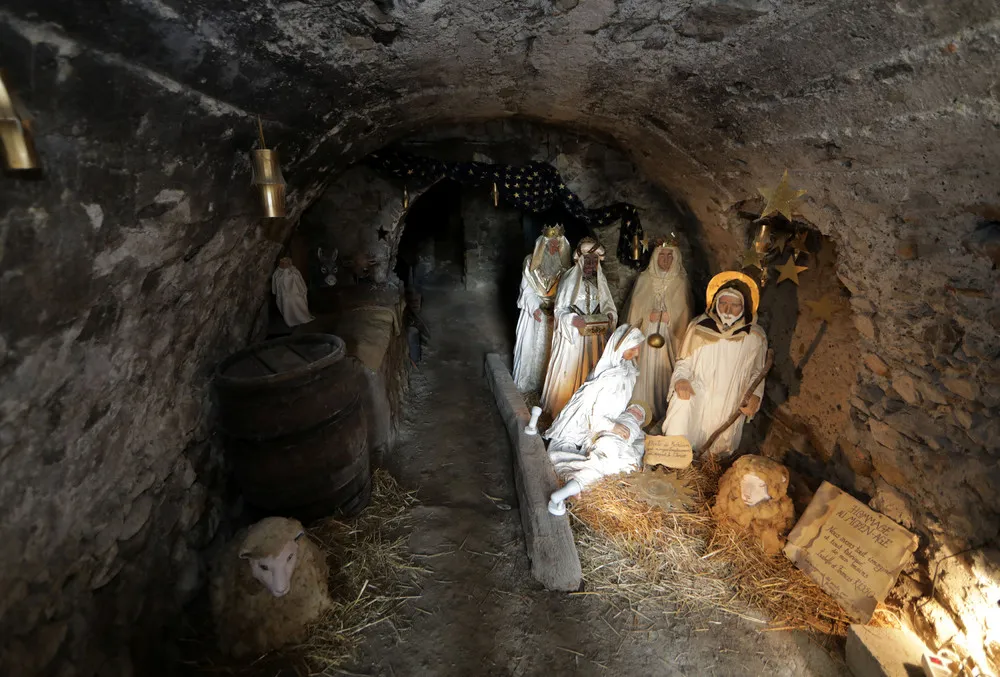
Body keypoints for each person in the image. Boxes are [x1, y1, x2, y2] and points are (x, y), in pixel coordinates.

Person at [661, 271, 768, 457]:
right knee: (682, 404)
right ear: (715, 303)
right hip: (700, 390)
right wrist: (681, 380)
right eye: (723, 303)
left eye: (734, 305)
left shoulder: (754, 336)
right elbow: (683, 363)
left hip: (730, 396)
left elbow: (757, 372)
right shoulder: (699, 327)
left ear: (745, 306)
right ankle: (675, 455)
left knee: (718, 447)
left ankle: (712, 462)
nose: (727, 310)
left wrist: (755, 396)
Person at [540, 237, 617, 417]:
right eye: (587, 260)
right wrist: (573, 320)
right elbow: (559, 310)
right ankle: (567, 409)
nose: (591, 264)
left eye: (594, 261)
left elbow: (609, 306)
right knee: (572, 370)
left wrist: (610, 316)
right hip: (573, 339)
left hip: (596, 337)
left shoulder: (601, 281)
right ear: (580, 260)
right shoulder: (569, 280)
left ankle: (590, 409)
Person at [544, 324, 645, 453]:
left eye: (638, 348)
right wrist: (612, 426)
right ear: (621, 348)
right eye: (633, 348)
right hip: (591, 424)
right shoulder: (608, 378)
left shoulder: (627, 368)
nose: (637, 353)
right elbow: (593, 414)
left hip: (609, 417)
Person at [624, 239, 693, 425]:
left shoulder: (680, 280)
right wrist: (647, 316)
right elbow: (636, 307)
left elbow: (684, 310)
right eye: (662, 255)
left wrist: (669, 317)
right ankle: (641, 406)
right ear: (655, 257)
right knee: (645, 367)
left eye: (670, 255)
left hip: (669, 335)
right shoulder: (644, 279)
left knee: (664, 368)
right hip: (646, 333)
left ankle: (662, 408)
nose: (666, 260)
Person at [512, 224, 572, 392]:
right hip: (534, 313)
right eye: (550, 244)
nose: (553, 248)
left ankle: (546, 388)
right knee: (530, 347)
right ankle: (527, 386)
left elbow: (568, 292)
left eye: (556, 244)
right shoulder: (530, 262)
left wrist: (558, 308)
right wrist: (534, 308)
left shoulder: (566, 269)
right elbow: (526, 290)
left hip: (556, 313)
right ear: (542, 245)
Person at [271, 257, 314, 327]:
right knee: (287, 305)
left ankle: (301, 316)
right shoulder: (277, 274)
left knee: (299, 303)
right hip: (286, 296)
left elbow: (300, 282)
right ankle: (291, 319)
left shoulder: (294, 271)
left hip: (296, 294)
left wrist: (303, 290)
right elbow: (275, 288)